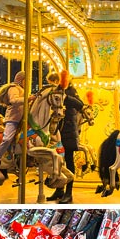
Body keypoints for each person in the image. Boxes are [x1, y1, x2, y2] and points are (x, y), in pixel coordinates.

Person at [49, 75, 86, 204]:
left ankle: (69, 193)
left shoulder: (71, 90)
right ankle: (59, 189)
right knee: (58, 161)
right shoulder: (55, 91)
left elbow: (80, 104)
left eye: (56, 81)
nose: (55, 83)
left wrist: (66, 97)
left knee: (69, 161)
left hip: (69, 130)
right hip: (57, 129)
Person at [0, 72, 25, 178]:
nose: (27, 83)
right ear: (20, 80)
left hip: (23, 120)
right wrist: (28, 99)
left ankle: (24, 161)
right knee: (7, 139)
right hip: (13, 119)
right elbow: (14, 100)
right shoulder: (14, 88)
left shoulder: (23, 90)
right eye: (25, 80)